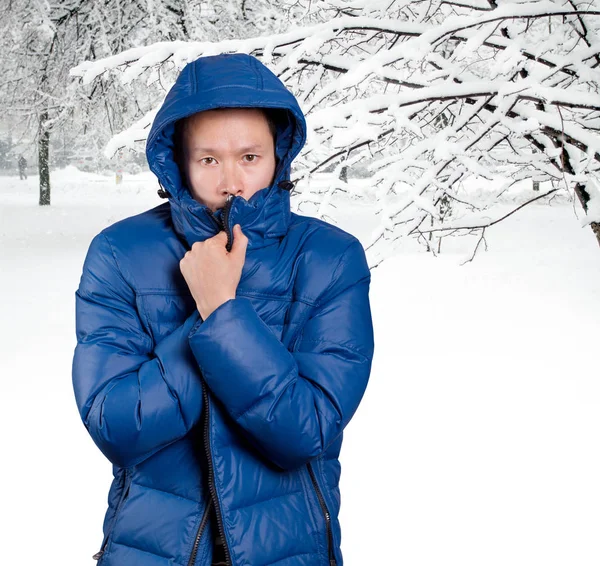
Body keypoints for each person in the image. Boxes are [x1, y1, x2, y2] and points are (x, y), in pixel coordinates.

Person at [72, 53, 374, 566]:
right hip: (148, 549)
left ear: (278, 155)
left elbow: (308, 430)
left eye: (250, 157)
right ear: (178, 162)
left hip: (289, 549)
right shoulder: (119, 253)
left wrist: (224, 308)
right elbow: (116, 424)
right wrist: (213, 316)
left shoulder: (330, 258)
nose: (231, 181)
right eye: (209, 159)